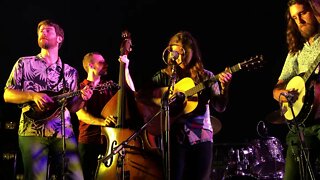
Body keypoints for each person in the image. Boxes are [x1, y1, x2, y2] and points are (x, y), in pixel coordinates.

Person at [3, 19, 93, 180]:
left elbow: (72, 108)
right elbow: (7, 95)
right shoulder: (24, 63)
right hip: (32, 132)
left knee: (76, 177)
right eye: (40, 31)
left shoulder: (70, 72)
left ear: (59, 38)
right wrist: (33, 95)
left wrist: (83, 99)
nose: (42, 32)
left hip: (63, 133)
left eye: (48, 30)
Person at [137, 31, 232, 180]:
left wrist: (225, 87)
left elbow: (220, 107)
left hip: (201, 136)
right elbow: (141, 96)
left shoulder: (206, 76)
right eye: (175, 52)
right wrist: (163, 102)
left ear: (192, 52)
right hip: (174, 137)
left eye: (184, 52)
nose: (179, 57)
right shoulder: (163, 76)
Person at [273, 0, 320, 179]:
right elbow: (277, 88)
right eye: (294, 17)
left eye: (302, 13)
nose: (299, 21)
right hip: (301, 128)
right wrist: (283, 95)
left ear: (315, 11)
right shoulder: (296, 51)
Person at [76, 52, 135, 180]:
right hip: (88, 141)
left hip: (109, 141)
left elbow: (131, 93)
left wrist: (126, 68)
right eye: (101, 62)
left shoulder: (109, 85)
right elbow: (81, 114)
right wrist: (102, 122)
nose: (106, 64)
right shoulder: (81, 87)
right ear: (91, 65)